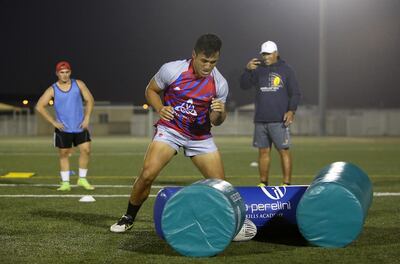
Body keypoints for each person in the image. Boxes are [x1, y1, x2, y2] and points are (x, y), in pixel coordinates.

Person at [110, 33, 228, 232]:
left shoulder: (220, 84)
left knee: (221, 186)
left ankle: (228, 223)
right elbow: (151, 90)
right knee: (147, 174)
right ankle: (128, 216)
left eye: (213, 62)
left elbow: (216, 122)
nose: (208, 66)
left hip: (199, 135)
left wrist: (220, 112)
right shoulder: (172, 69)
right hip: (171, 129)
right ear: (194, 55)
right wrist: (160, 108)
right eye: (204, 61)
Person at [240, 40, 301, 186]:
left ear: (276, 54)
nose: (265, 57)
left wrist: (291, 110)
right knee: (263, 152)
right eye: (263, 54)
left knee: (283, 151)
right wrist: (247, 70)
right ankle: (263, 183)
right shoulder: (258, 69)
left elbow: (296, 93)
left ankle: (286, 183)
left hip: (279, 119)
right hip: (261, 119)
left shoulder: (287, 70)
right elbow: (244, 85)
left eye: (268, 54)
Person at [36, 61, 95, 191]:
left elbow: (90, 100)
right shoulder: (52, 89)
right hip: (63, 128)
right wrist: (53, 122)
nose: (65, 75)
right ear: (57, 74)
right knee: (64, 154)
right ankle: (65, 183)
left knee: (86, 150)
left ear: (70, 72)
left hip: (80, 126)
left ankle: (82, 179)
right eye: (62, 72)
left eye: (67, 72)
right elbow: (39, 106)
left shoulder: (78, 84)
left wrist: (87, 118)